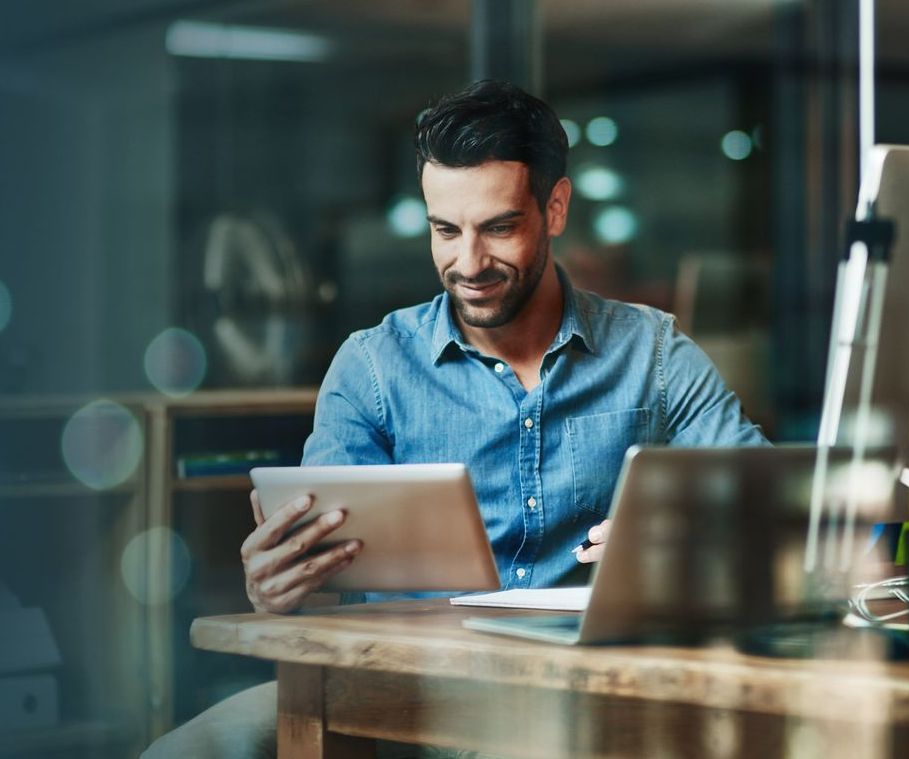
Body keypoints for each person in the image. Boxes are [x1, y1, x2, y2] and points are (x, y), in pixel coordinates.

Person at [144, 79, 766, 759]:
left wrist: (688, 541)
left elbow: (767, 505)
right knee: (195, 748)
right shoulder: (373, 367)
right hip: (393, 687)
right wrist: (277, 589)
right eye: (446, 230)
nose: (467, 263)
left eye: (498, 227)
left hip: (575, 691)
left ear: (554, 208)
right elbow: (321, 588)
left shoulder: (652, 353)